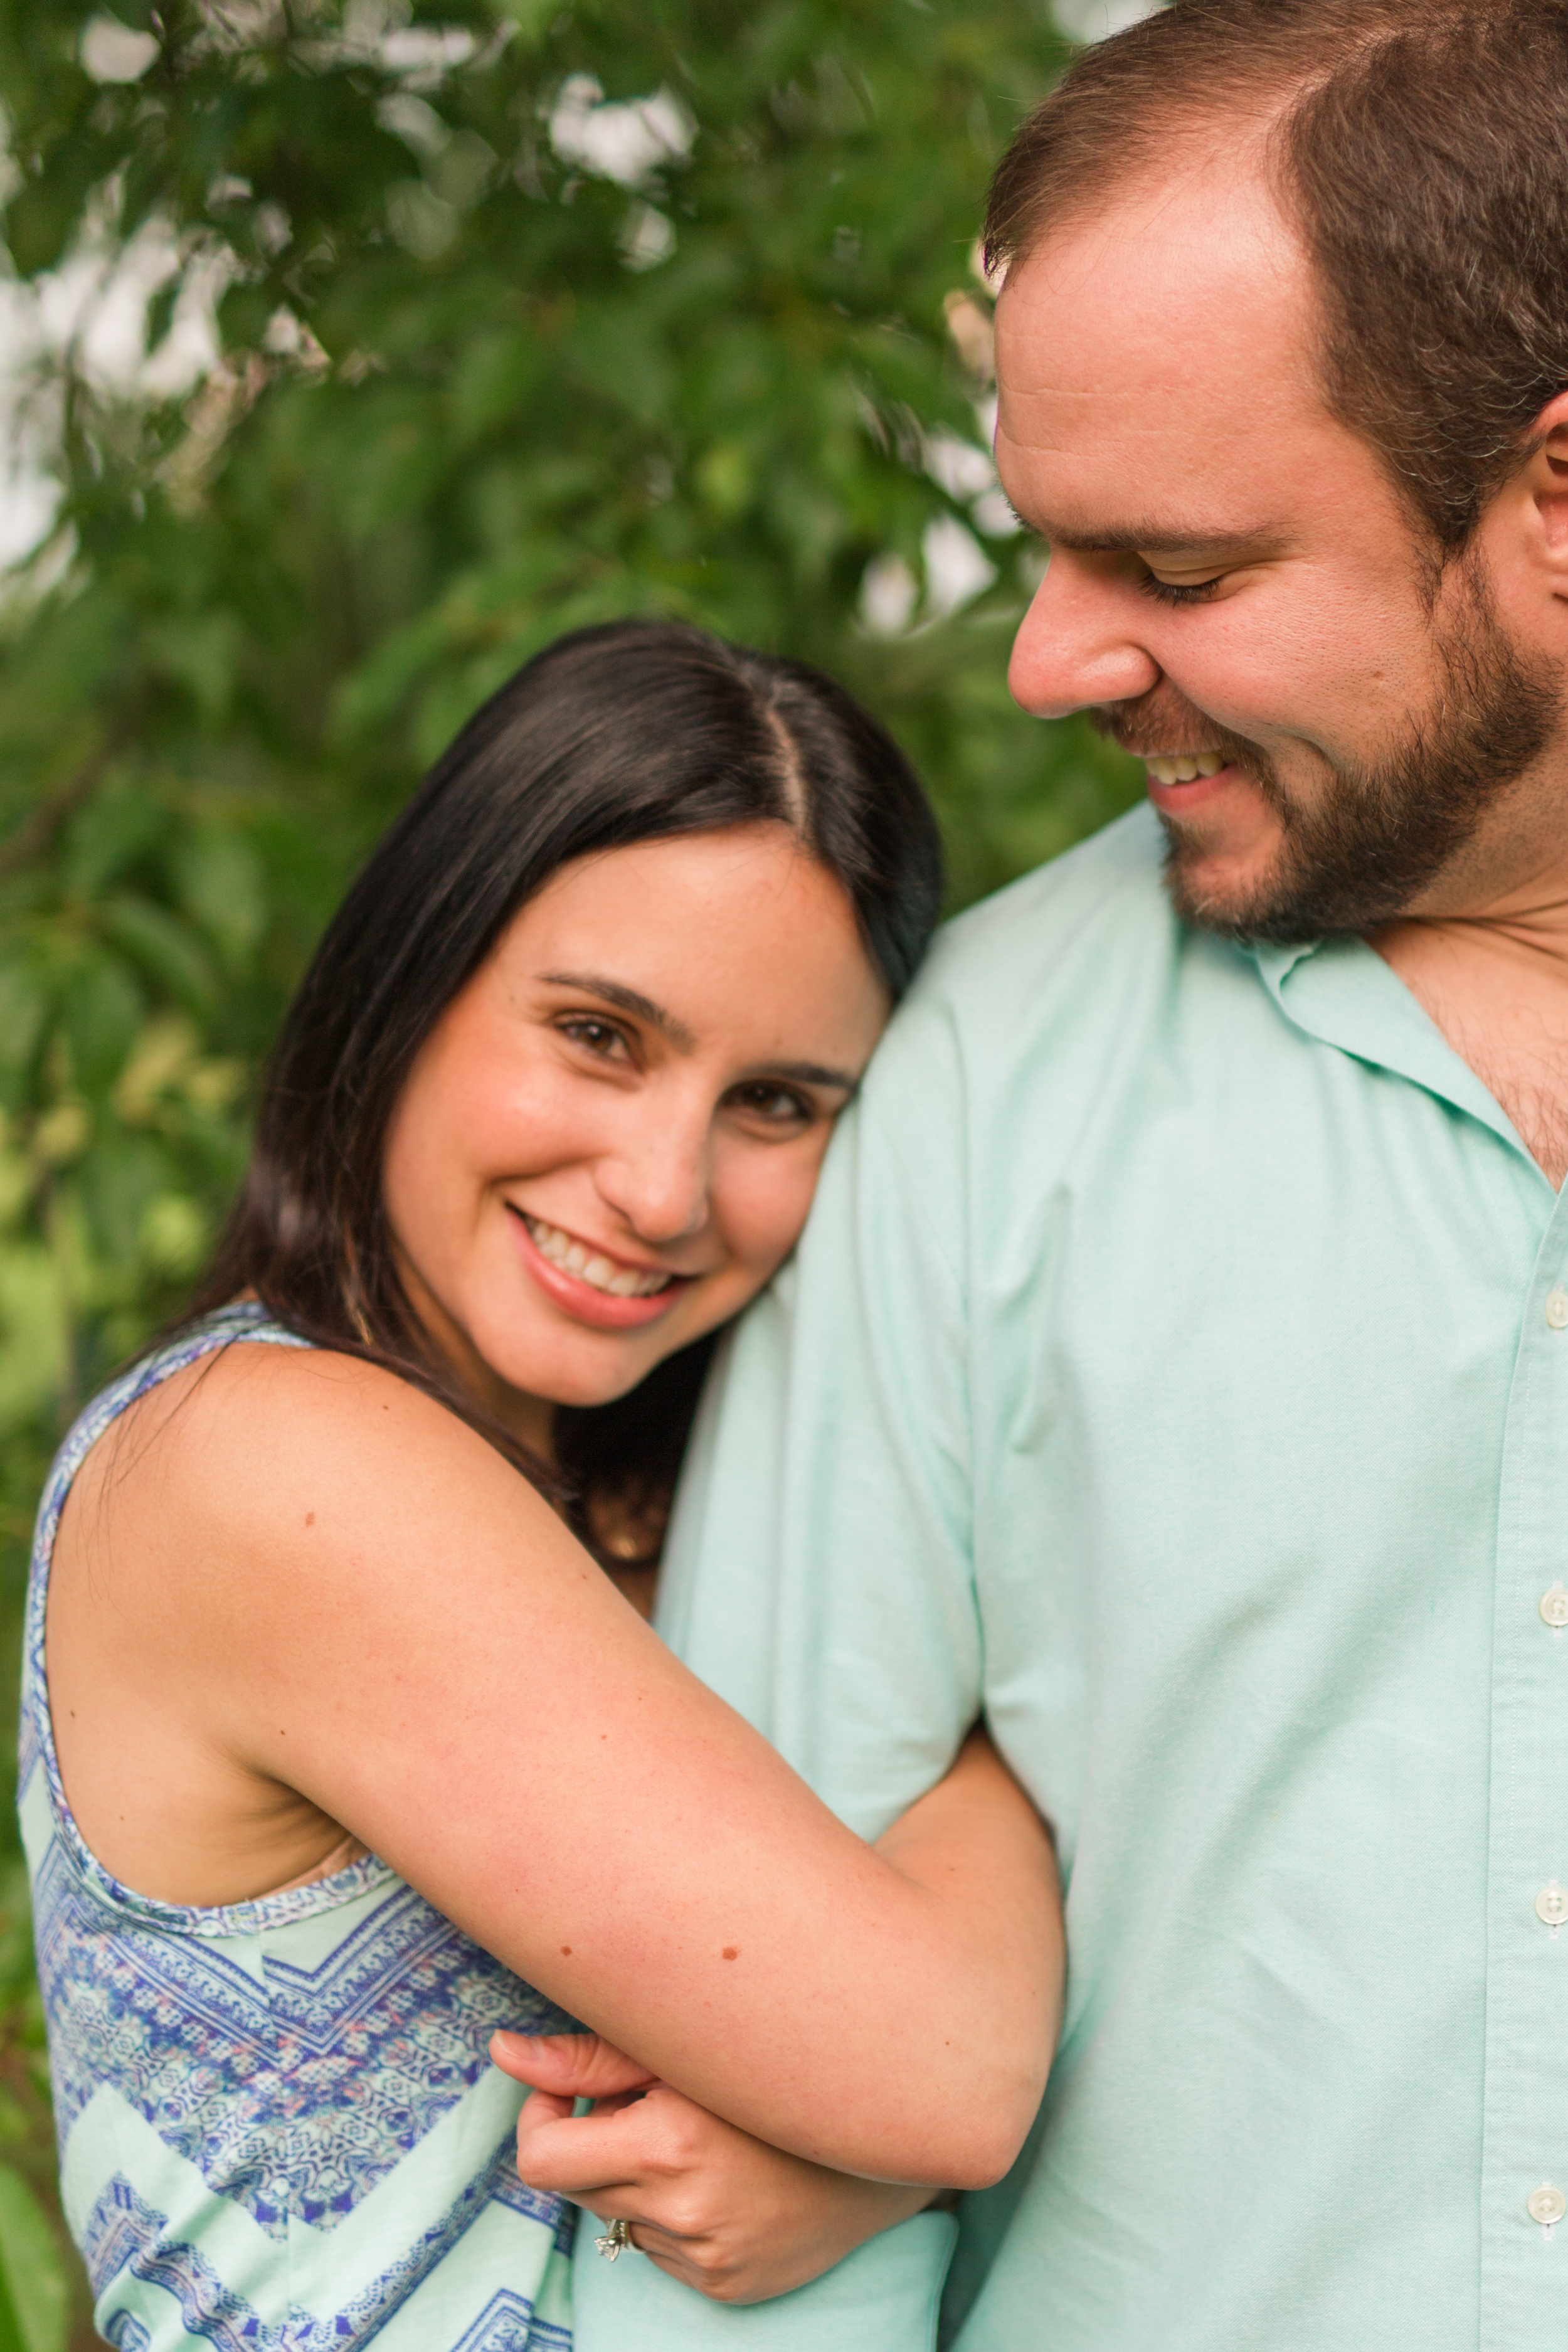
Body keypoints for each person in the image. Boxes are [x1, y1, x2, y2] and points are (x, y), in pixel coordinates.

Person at [575, 3, 1568, 2345]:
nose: (1041, 663)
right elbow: (739, 2069)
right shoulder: (967, 1092)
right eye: (1043, 547)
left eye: (1180, 566)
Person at [23, 620, 1063, 2352]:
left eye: (779, 1102)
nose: (663, 1187)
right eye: (597, 1033)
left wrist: (847, 2151)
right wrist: (983, 1790)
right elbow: (944, 2074)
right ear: (413, 977)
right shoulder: (268, 1462)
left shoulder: (641, 1500)